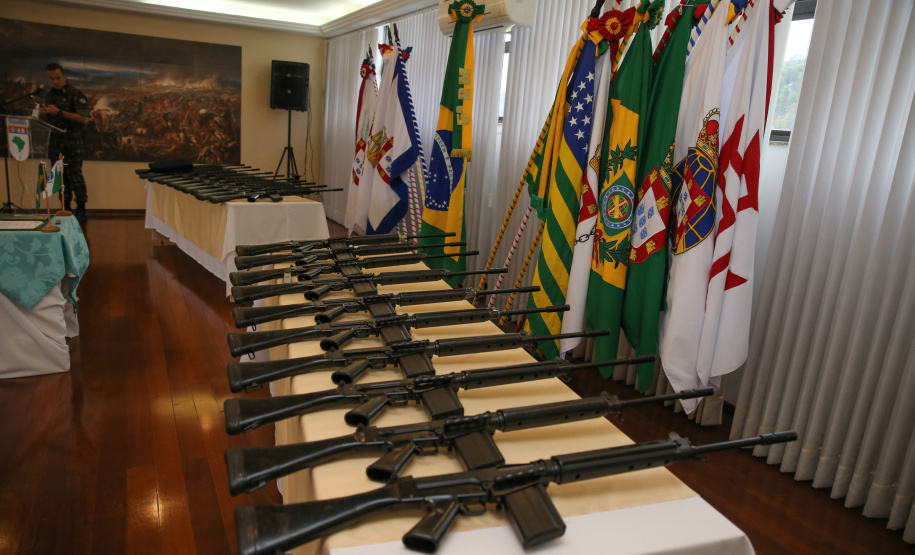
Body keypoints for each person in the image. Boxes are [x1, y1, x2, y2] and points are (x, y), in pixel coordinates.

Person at [39, 63, 91, 225]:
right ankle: (65, 207)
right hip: (55, 142)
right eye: (51, 78)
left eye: (57, 78)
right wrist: (44, 113)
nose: (54, 81)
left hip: (72, 142)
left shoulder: (76, 95)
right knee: (59, 178)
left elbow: (84, 118)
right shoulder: (49, 96)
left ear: (64, 77)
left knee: (75, 176)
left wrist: (59, 112)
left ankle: (81, 209)